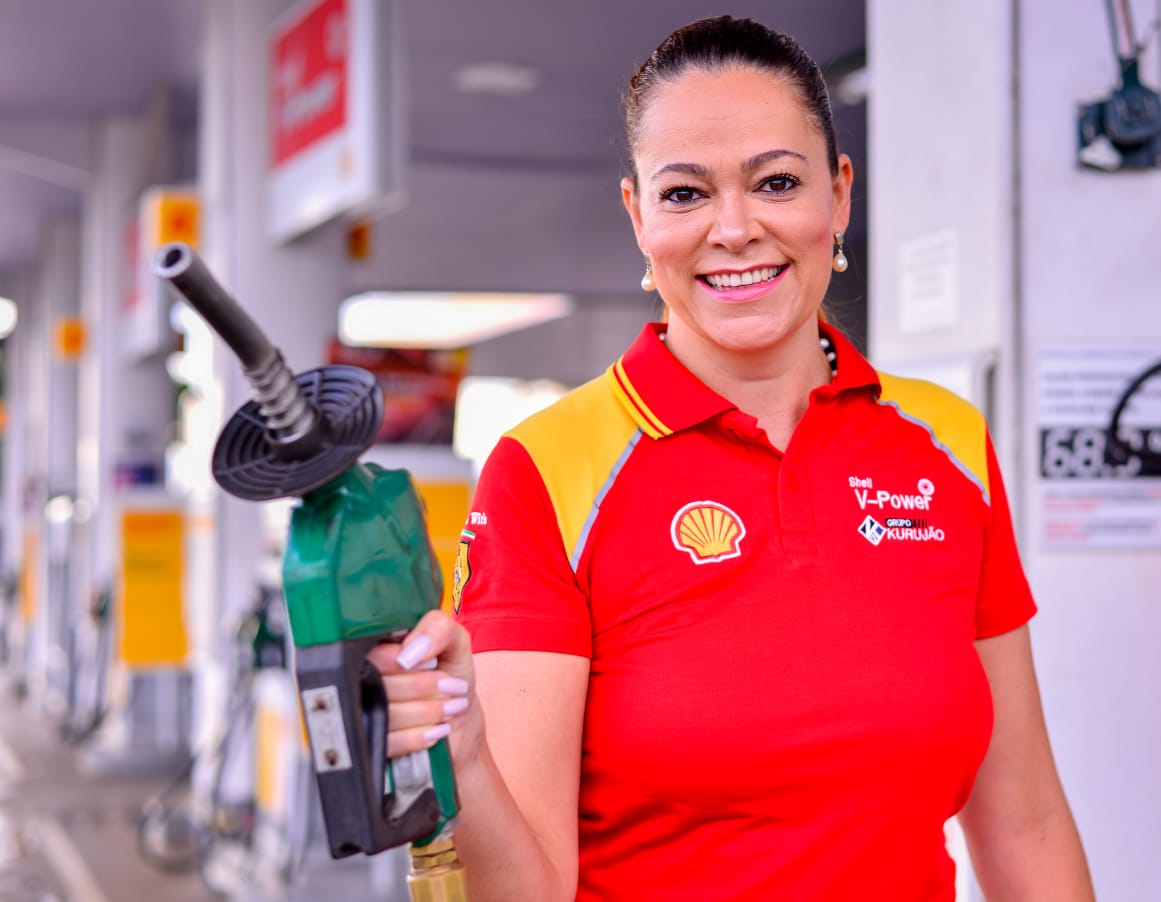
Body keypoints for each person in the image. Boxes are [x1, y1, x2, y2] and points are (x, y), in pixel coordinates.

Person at [369, 16, 1094, 901]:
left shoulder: (948, 444)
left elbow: (1024, 822)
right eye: (684, 194)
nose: (733, 228)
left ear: (838, 195)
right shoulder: (546, 470)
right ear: (638, 215)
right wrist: (466, 755)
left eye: (775, 182)